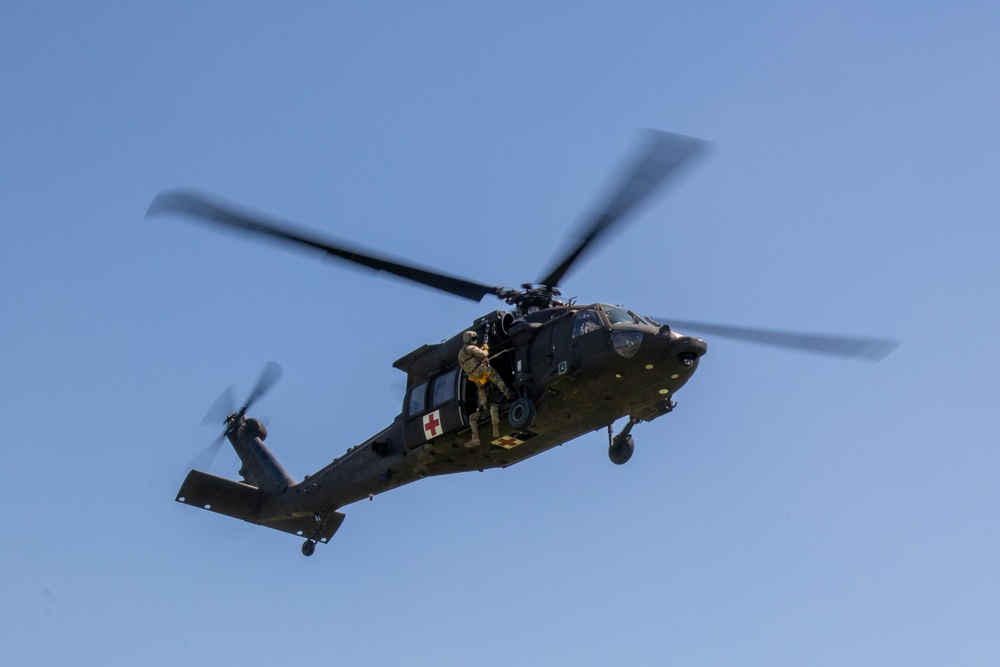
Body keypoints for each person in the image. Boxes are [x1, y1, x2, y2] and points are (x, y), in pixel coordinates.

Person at [458, 330, 512, 446]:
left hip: (473, 376)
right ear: (468, 340)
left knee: (482, 390)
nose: (474, 341)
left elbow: (464, 365)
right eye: (473, 339)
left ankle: (476, 435)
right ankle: (508, 394)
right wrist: (485, 349)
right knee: (496, 378)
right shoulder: (471, 348)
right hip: (480, 371)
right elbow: (484, 355)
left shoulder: (460, 353)